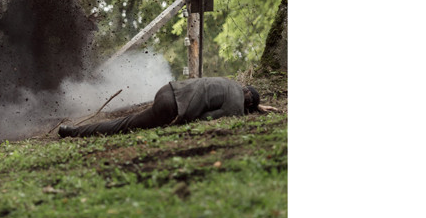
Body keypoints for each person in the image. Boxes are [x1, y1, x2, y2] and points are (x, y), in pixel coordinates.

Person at [58, 77, 277, 138]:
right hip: (173, 105)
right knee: (125, 125)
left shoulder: (227, 82)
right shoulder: (236, 103)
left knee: (132, 120)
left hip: (168, 89)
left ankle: (73, 130)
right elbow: (207, 119)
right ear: (248, 102)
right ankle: (73, 132)